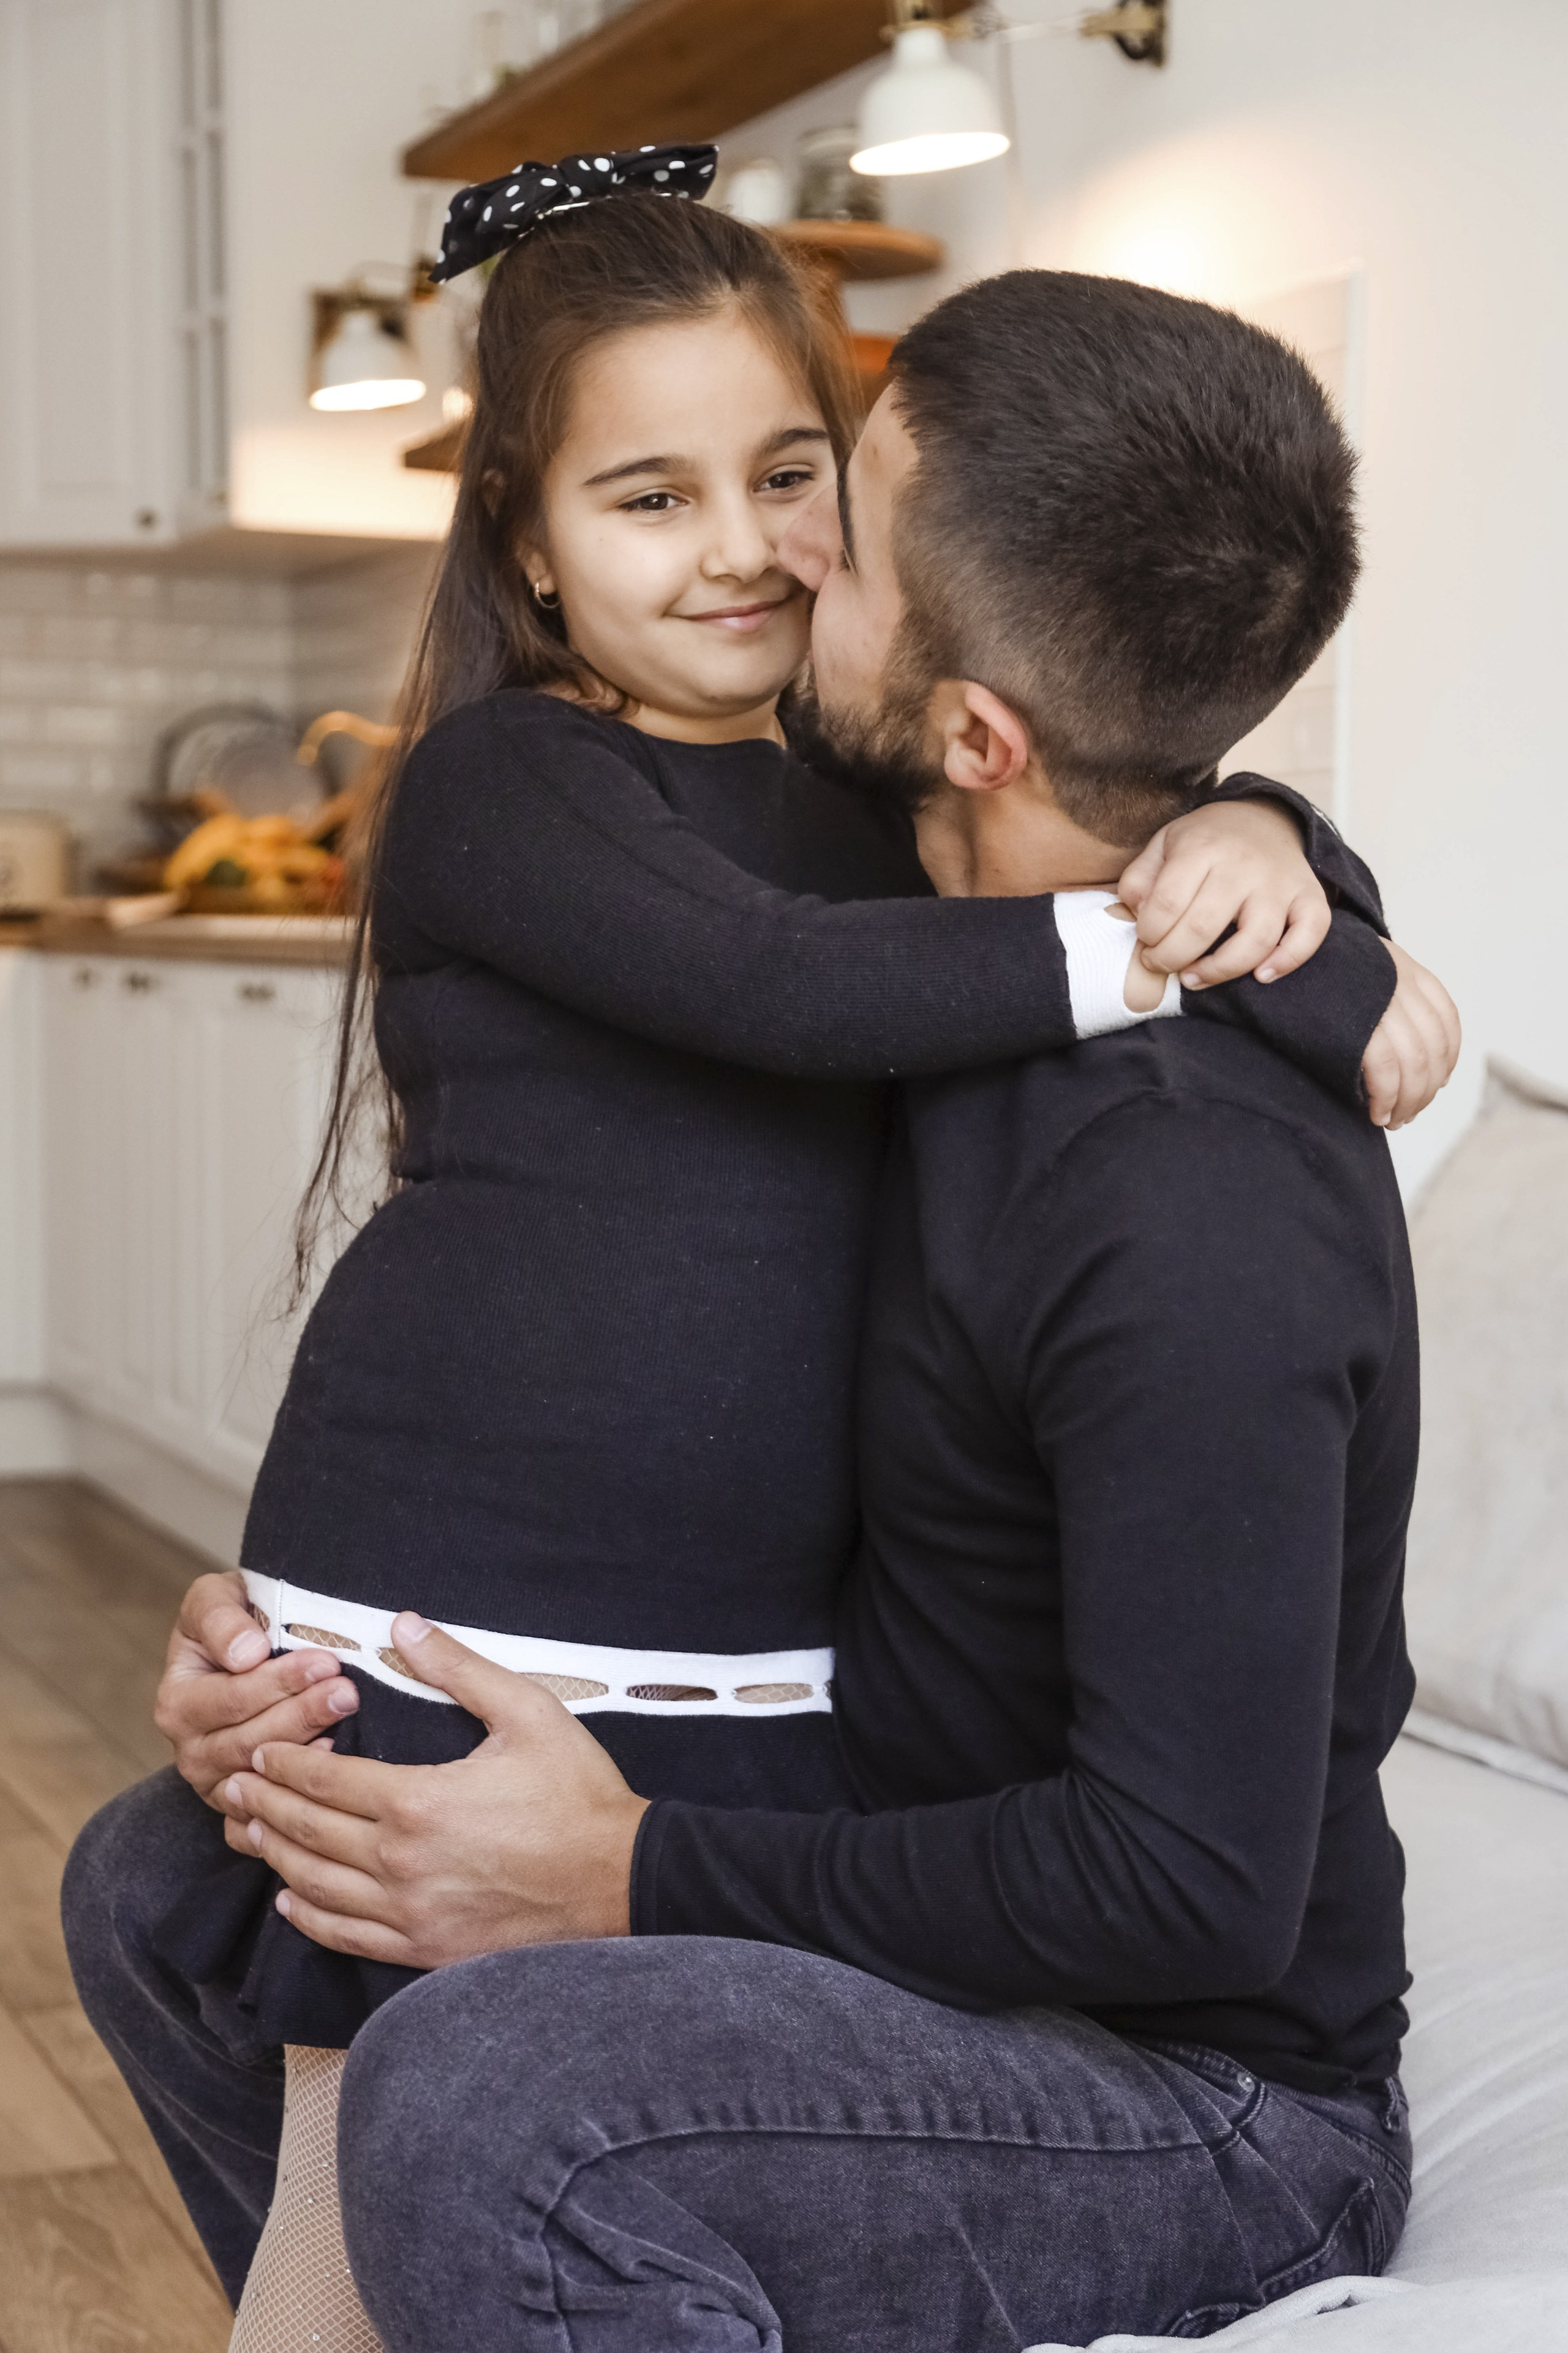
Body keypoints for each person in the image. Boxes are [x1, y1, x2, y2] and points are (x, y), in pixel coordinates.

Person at [61, 216, 1458, 2347]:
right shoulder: (901, 920)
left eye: (829, 512)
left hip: (1192, 2081)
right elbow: (687, 1134)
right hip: (893, 1831)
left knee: (480, 2087)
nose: (782, 566)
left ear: (977, 723)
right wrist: (329, 1646)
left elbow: (1185, 1884)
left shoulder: (1190, 1199)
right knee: (169, 1881)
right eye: (677, 495)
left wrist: (612, 1873)